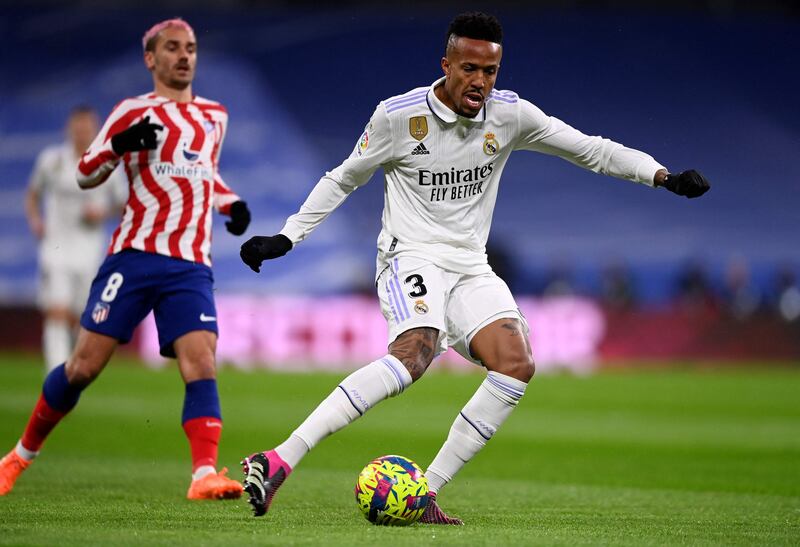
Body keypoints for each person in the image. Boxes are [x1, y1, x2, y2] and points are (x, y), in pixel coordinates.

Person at [238, 12, 710, 523]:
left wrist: (661, 175)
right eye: (470, 68)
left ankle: (426, 493)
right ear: (446, 65)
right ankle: (280, 457)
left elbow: (590, 150)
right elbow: (342, 178)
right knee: (414, 353)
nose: (480, 82)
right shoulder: (398, 118)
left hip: (469, 265)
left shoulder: (510, 115)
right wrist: (287, 236)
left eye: (491, 71)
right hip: (408, 255)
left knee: (516, 361)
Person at [0, 18, 251, 500]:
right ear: (150, 59)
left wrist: (229, 202)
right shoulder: (130, 112)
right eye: (173, 48)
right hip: (133, 257)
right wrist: (118, 147)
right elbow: (85, 174)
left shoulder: (214, 116)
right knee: (82, 367)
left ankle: (203, 475)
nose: (184, 56)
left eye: (191, 48)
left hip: (189, 264)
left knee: (201, 361)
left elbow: (205, 173)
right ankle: (19, 456)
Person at [25, 106, 127, 371]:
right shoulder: (52, 160)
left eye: (87, 127)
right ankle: (55, 373)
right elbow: (32, 194)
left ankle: (70, 365)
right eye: (77, 127)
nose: (82, 132)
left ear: (95, 130)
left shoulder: (108, 165)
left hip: (89, 250)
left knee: (80, 316)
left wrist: (102, 212)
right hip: (55, 247)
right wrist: (36, 220)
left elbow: (124, 205)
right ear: (68, 128)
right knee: (57, 310)